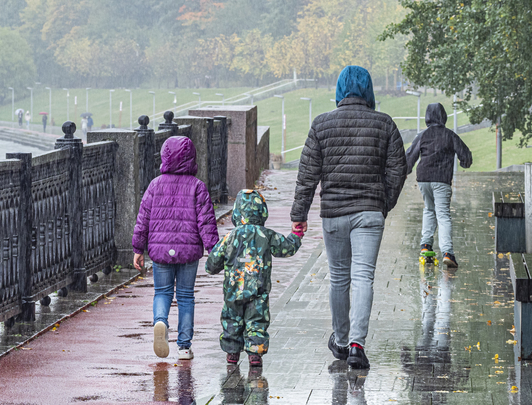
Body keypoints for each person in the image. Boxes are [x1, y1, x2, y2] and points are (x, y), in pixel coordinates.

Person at [290, 65, 407, 369]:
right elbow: (398, 169)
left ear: (340, 90)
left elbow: (307, 175)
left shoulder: (321, 125)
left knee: (339, 277)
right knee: (363, 276)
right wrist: (383, 203)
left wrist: (298, 215)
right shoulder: (385, 124)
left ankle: (341, 342)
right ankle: (357, 344)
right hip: (369, 211)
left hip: (334, 212)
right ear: (368, 90)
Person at [132, 136, 219, 360]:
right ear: (191, 158)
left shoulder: (155, 184)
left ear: (165, 157)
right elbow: (206, 222)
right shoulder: (197, 186)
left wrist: (138, 248)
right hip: (188, 250)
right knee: (186, 296)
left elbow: (143, 219)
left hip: (160, 250)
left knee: (162, 292)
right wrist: (214, 251)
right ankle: (184, 347)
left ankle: (160, 321)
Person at [206, 190, 303, 367]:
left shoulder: (230, 237)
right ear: (262, 211)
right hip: (259, 290)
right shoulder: (266, 235)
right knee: (257, 320)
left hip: (233, 291)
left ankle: (232, 352)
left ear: (237, 212)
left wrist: (217, 264)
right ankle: (255, 354)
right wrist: (296, 235)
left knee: (231, 320)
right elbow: (286, 248)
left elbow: (212, 264)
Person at [406, 102, 472, 268]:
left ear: (428, 117)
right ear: (443, 117)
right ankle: (448, 252)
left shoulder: (422, 135)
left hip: (423, 179)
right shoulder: (449, 135)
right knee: (443, 214)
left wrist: (405, 170)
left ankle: (426, 245)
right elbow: (466, 155)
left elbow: (410, 156)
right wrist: (464, 162)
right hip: (441, 179)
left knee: (429, 209)